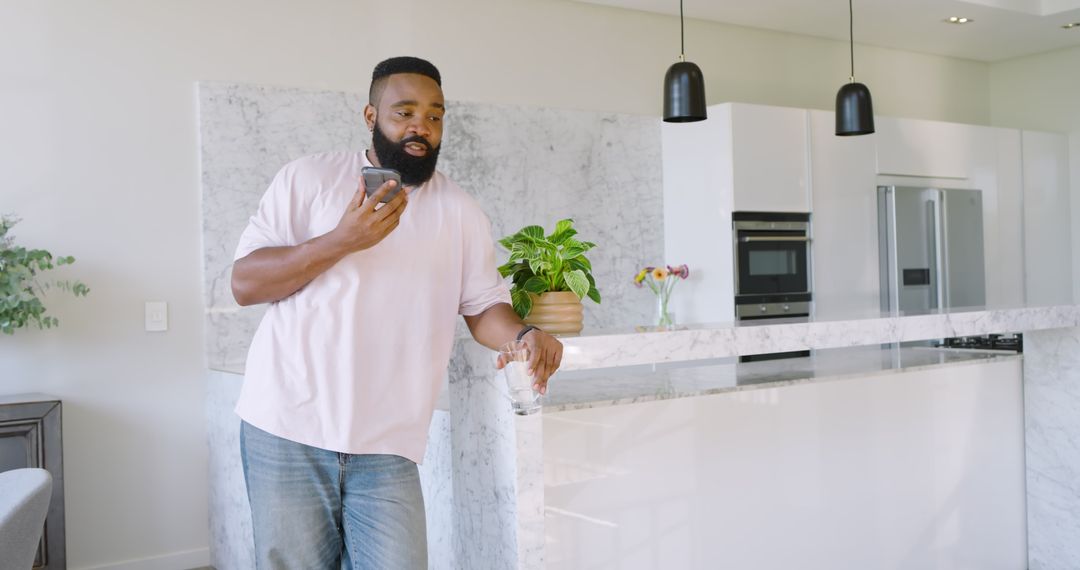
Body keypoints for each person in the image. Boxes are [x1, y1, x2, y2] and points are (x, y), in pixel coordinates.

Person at [230, 56, 564, 569]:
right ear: (370, 116)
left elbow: (482, 309)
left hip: (387, 445)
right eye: (404, 112)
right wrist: (343, 240)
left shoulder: (461, 213)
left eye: (435, 115)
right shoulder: (307, 179)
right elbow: (245, 283)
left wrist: (526, 333)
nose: (421, 127)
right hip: (286, 426)